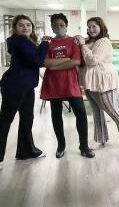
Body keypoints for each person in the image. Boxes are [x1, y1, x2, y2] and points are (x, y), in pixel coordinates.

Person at [74, 17, 119, 149]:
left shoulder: (104, 41)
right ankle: (101, 137)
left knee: (113, 110)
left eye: (94, 26)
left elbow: (92, 60)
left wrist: (82, 45)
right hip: (90, 82)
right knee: (96, 111)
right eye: (89, 27)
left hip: (103, 81)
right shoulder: (90, 41)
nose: (91, 29)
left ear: (101, 27)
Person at [41, 13, 95, 159]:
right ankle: (61, 145)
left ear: (66, 26)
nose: (59, 28)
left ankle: (84, 146)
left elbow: (76, 61)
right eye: (56, 25)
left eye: (62, 25)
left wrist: (54, 65)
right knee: (56, 114)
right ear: (52, 26)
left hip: (70, 82)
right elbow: (45, 63)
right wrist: (66, 60)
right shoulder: (48, 42)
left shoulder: (74, 41)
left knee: (80, 112)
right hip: (53, 83)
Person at [0, 15, 48, 170]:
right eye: (21, 25)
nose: (26, 28)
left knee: (27, 119)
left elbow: (31, 60)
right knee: (5, 121)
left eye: (28, 25)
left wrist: (40, 45)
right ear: (15, 28)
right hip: (15, 87)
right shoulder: (20, 41)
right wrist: (45, 44)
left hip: (26, 87)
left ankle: (25, 151)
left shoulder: (23, 41)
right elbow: (37, 61)